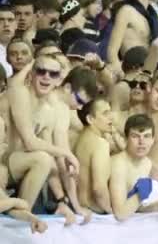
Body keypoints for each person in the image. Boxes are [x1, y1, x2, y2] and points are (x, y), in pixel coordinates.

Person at [3, 57, 81, 222]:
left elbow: (49, 159)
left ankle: (24, 211)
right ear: (31, 74)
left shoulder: (49, 112)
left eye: (52, 74)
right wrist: (68, 154)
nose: (46, 76)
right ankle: (19, 210)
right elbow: (29, 142)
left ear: (58, 80)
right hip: (3, 164)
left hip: (10, 164)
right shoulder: (19, 93)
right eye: (41, 71)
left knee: (43, 159)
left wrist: (62, 200)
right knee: (41, 157)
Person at [109, 114, 158, 222]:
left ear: (153, 140)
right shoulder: (118, 164)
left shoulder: (147, 163)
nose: (141, 142)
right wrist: (141, 192)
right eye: (135, 136)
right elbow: (120, 213)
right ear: (126, 139)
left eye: (146, 136)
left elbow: (134, 207)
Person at [106, 0, 158, 72]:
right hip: (131, 71)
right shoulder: (126, 11)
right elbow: (112, 52)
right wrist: (122, 75)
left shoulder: (153, 15)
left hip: (149, 72)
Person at [74, 99, 116, 214]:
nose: (111, 117)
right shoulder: (100, 144)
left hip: (79, 207)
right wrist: (110, 212)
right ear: (90, 119)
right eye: (105, 113)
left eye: (110, 112)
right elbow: (98, 189)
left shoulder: (81, 139)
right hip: (94, 211)